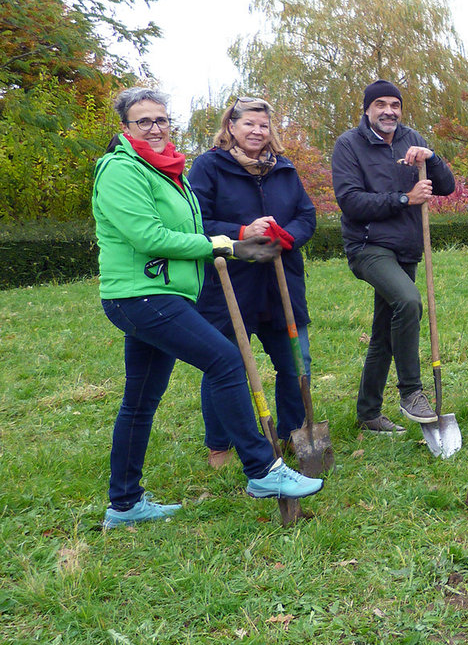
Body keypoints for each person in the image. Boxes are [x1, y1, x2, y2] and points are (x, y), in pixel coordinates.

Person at [94, 87, 322, 528]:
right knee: (226, 360)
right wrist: (227, 243)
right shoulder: (122, 170)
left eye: (162, 119)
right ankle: (262, 471)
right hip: (140, 295)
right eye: (144, 121)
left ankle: (124, 505)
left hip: (162, 293)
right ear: (126, 128)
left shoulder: (164, 171)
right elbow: (149, 237)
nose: (156, 128)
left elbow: (188, 224)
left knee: (140, 402)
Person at [190, 97, 317, 468]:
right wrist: (242, 232)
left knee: (297, 362)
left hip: (281, 284)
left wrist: (286, 236)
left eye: (263, 126)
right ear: (231, 126)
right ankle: (220, 445)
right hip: (231, 285)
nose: (257, 132)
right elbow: (196, 220)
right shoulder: (209, 167)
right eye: (249, 124)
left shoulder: (284, 169)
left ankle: (294, 432)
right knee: (225, 365)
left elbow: (307, 215)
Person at [331, 79, 456, 433]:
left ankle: (369, 413)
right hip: (368, 246)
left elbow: (445, 187)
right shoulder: (349, 145)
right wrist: (405, 198)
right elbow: (350, 201)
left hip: (406, 248)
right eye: (381, 104)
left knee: (385, 331)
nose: (389, 111)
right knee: (408, 301)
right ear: (367, 109)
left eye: (395, 105)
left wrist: (432, 158)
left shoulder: (412, 139)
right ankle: (411, 391)